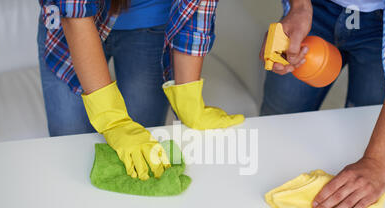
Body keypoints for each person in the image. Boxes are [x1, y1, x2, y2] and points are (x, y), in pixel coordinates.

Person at [261, 0, 385, 208]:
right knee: (277, 116)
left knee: (363, 127)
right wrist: (299, 6)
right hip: (316, 8)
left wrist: (377, 161)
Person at [38, 0, 243, 180]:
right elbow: (74, 11)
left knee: (143, 153)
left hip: (150, 25)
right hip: (70, 29)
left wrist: (187, 94)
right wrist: (112, 120)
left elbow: (197, 4)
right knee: (70, 147)